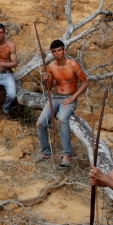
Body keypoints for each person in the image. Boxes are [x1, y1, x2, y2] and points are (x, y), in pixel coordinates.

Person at [37, 39, 89, 168]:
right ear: (52, 53)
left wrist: (73, 97)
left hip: (70, 97)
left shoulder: (73, 65)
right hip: (55, 98)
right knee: (40, 123)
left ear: (64, 51)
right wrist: (46, 80)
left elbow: (85, 83)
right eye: (54, 51)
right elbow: (48, 88)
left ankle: (66, 155)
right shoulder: (51, 67)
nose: (57, 53)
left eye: (59, 50)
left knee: (62, 119)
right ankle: (46, 152)